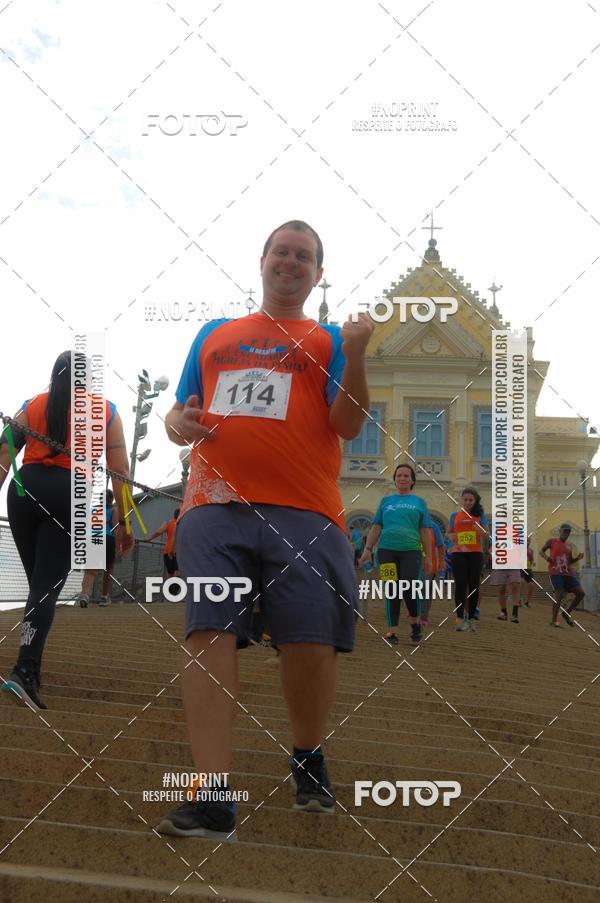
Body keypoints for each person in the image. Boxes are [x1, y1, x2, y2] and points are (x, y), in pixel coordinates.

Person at [155, 220, 373, 839]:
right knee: (209, 632)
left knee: (309, 642)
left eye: (305, 256)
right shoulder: (214, 333)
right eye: (282, 251)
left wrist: (355, 354)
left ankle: (308, 757)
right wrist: (177, 420)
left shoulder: (330, 340)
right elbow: (180, 411)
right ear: (262, 260)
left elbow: (350, 423)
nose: (291, 262)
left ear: (317, 273)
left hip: (306, 511)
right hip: (213, 505)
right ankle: (211, 794)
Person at [0, 351, 132, 710]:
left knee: (39, 585)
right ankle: (26, 671)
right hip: (69, 493)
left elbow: (3, 450)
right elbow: (119, 470)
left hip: (24, 490)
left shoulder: (34, 404)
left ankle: (29, 661)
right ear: (87, 378)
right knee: (45, 587)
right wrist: (124, 523)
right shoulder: (107, 411)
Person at [358, 464, 433, 645]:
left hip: (411, 551)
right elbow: (376, 527)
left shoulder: (419, 502)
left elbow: (424, 531)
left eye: (406, 475)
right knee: (392, 591)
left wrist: (429, 557)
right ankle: (392, 632)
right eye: (399, 475)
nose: (402, 478)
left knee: (408, 589)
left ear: (412, 480)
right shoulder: (386, 502)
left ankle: (415, 623)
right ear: (395, 479)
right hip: (386, 551)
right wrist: (367, 549)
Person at [447, 487, 489, 632]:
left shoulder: (480, 515)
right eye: (465, 499)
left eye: (471, 500)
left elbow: (486, 535)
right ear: (462, 500)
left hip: (475, 553)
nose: (468, 502)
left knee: (474, 585)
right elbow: (448, 533)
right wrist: (451, 537)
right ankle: (459, 617)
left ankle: (471, 618)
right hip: (458, 553)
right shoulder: (454, 515)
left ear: (475, 501)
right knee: (460, 584)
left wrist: (481, 531)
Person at [74, 490, 118, 607]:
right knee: (108, 568)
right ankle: (104, 597)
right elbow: (115, 528)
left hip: (92, 537)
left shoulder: (92, 509)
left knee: (90, 570)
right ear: (111, 499)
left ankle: (84, 595)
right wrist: (118, 546)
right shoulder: (113, 510)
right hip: (107, 538)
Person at [540, 523, 585, 627]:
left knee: (581, 593)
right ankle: (554, 620)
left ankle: (566, 613)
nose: (566, 533)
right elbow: (541, 551)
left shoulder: (569, 545)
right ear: (560, 531)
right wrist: (547, 558)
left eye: (568, 532)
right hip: (555, 572)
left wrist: (577, 558)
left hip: (567, 573)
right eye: (565, 531)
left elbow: (569, 561)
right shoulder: (552, 541)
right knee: (559, 594)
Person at [420, 520, 445, 627]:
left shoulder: (433, 526)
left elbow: (441, 545)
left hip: (429, 564)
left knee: (425, 589)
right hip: (412, 562)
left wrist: (442, 562)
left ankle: (423, 616)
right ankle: (414, 610)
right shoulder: (410, 524)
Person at [147, 508, 181, 582]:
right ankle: (174, 592)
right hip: (178, 552)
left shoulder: (169, 522)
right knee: (177, 573)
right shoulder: (182, 523)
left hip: (167, 551)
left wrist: (149, 539)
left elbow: (158, 532)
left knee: (170, 574)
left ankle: (170, 592)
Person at [519, 536, 535, 608]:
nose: (528, 542)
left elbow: (532, 559)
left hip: (529, 569)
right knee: (521, 582)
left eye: (529, 541)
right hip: (521, 568)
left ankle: (527, 602)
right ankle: (518, 600)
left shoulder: (531, 550)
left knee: (531, 585)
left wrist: (533, 562)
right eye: (527, 541)